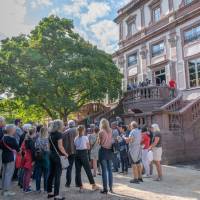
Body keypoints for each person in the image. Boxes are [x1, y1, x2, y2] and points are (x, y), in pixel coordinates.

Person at [47, 119, 68, 200]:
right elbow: (60, 146)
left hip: (51, 155)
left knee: (51, 174)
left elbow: (48, 146)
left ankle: (49, 193)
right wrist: (65, 153)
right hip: (57, 156)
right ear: (59, 125)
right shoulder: (59, 134)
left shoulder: (50, 134)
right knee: (57, 175)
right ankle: (56, 195)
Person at [74, 125, 99, 192]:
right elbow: (88, 147)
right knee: (88, 170)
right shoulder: (85, 138)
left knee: (78, 171)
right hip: (84, 154)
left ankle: (81, 187)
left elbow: (75, 146)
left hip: (77, 154)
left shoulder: (76, 138)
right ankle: (93, 185)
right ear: (83, 130)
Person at [0, 124, 20, 196]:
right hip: (10, 157)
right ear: (11, 130)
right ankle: (6, 190)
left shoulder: (3, 138)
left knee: (4, 173)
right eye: (14, 129)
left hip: (4, 156)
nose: (15, 131)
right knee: (8, 174)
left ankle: (3, 188)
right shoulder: (12, 139)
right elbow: (18, 149)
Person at [98, 119, 113, 194]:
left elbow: (99, 143)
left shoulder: (101, 132)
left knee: (104, 171)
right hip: (109, 151)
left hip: (103, 151)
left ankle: (105, 189)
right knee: (110, 170)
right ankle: (111, 187)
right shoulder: (110, 131)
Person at [34, 126, 49, 192]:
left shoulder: (37, 139)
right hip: (45, 157)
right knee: (46, 174)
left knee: (38, 174)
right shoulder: (47, 139)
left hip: (38, 157)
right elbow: (47, 149)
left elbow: (36, 147)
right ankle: (45, 188)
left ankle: (38, 188)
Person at [63, 120, 77, 188]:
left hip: (69, 152)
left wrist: (64, 153)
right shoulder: (77, 130)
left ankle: (68, 183)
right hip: (77, 151)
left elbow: (64, 143)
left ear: (68, 125)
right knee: (78, 168)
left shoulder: (65, 132)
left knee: (69, 168)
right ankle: (78, 183)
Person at [21, 126, 36, 193]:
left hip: (26, 156)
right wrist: (33, 160)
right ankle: (26, 188)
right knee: (28, 174)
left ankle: (24, 187)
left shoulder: (26, 139)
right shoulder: (31, 141)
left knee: (25, 173)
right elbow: (33, 151)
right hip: (30, 158)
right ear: (33, 132)